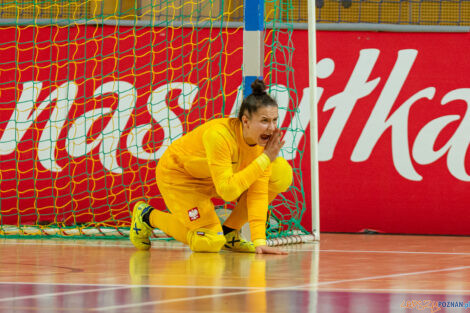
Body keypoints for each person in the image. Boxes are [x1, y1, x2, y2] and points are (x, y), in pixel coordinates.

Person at [130, 79, 293, 255]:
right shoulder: (220, 137)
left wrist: (259, 241)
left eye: (274, 120)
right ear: (245, 121)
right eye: (264, 121)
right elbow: (227, 192)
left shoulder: (261, 142)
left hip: (214, 176)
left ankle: (230, 232)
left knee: (281, 173)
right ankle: (146, 216)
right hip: (180, 178)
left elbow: (258, 192)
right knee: (209, 241)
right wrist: (265, 159)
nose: (272, 128)